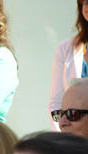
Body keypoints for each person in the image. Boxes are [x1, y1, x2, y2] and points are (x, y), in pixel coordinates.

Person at [49, 0, 88, 130]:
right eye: (85, 1)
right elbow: (55, 103)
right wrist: (63, 136)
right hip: (73, 142)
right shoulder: (65, 49)